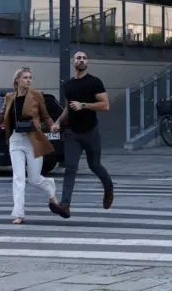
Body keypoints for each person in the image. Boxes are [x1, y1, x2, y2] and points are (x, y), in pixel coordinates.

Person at [49, 51, 113, 219]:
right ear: (73, 61)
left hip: (91, 131)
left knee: (95, 166)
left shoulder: (94, 82)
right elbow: (68, 108)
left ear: (87, 62)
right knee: (70, 168)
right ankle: (65, 205)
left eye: (84, 58)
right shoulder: (68, 85)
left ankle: (108, 187)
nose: (82, 60)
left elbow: (105, 105)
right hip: (72, 133)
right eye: (79, 58)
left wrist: (84, 105)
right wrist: (57, 123)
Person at [0, 67, 58, 224]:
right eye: (25, 77)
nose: (28, 80)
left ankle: (50, 189)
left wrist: (52, 125)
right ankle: (19, 214)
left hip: (33, 139)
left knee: (34, 179)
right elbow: (3, 116)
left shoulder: (36, 95)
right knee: (18, 177)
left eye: (30, 77)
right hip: (15, 139)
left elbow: (45, 115)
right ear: (17, 80)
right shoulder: (9, 97)